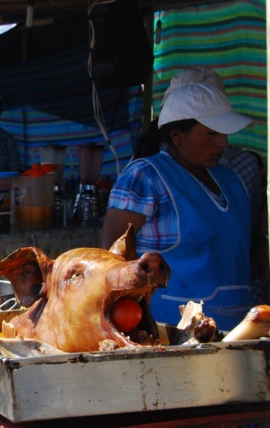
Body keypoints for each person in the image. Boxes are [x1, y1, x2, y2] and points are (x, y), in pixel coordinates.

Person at [98, 77, 255, 331]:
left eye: (223, 133)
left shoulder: (232, 180)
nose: (222, 142)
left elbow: (248, 251)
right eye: (210, 134)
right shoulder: (145, 177)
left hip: (240, 329)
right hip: (169, 333)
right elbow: (109, 258)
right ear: (177, 137)